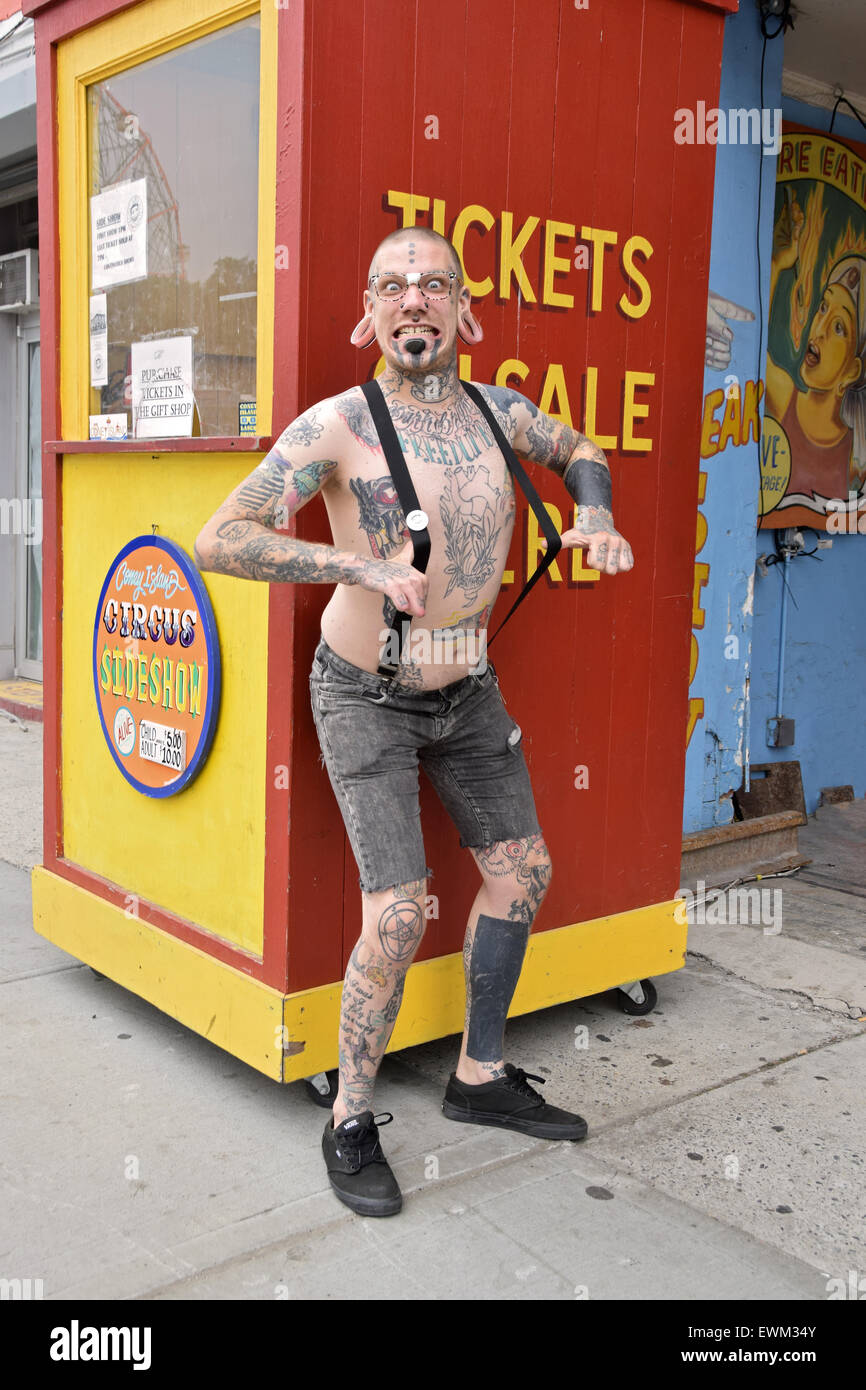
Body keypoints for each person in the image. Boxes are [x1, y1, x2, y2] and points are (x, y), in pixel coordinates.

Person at [194, 226, 634, 1217]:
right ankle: (349, 1117)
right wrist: (353, 565)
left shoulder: (496, 411)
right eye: (391, 284)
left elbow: (579, 449)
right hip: (365, 694)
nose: (413, 299)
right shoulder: (336, 427)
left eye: (433, 282)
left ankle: (478, 1076)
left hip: (467, 693)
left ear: (463, 307)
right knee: (397, 915)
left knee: (523, 874)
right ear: (368, 310)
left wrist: (594, 513)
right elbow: (218, 536)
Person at [768, 190, 866, 500]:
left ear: (852, 369)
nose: (819, 329)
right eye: (822, 308)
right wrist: (778, 263)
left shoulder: (855, 456)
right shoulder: (787, 400)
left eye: (839, 327)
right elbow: (751, 351)